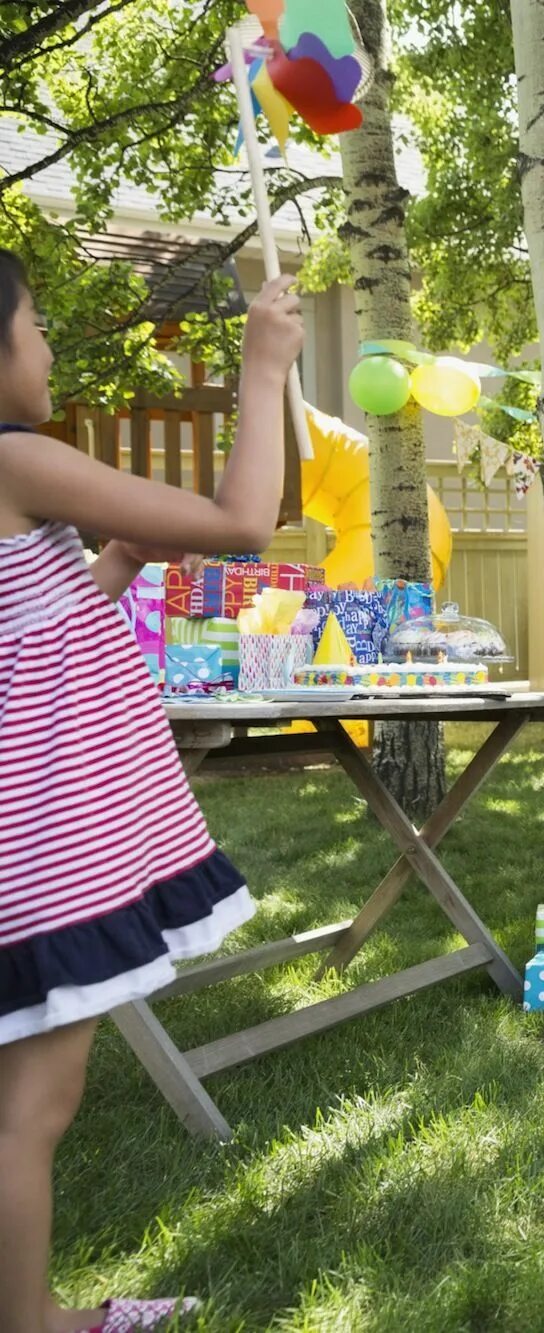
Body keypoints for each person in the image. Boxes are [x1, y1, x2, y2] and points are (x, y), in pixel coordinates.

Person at [0, 250, 304, 1332]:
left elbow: (25, 631)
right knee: (29, 1110)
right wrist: (261, 370)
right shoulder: (16, 460)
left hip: (22, 832)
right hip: (38, 845)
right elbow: (241, 524)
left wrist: (116, 570)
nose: (45, 347)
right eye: (34, 325)